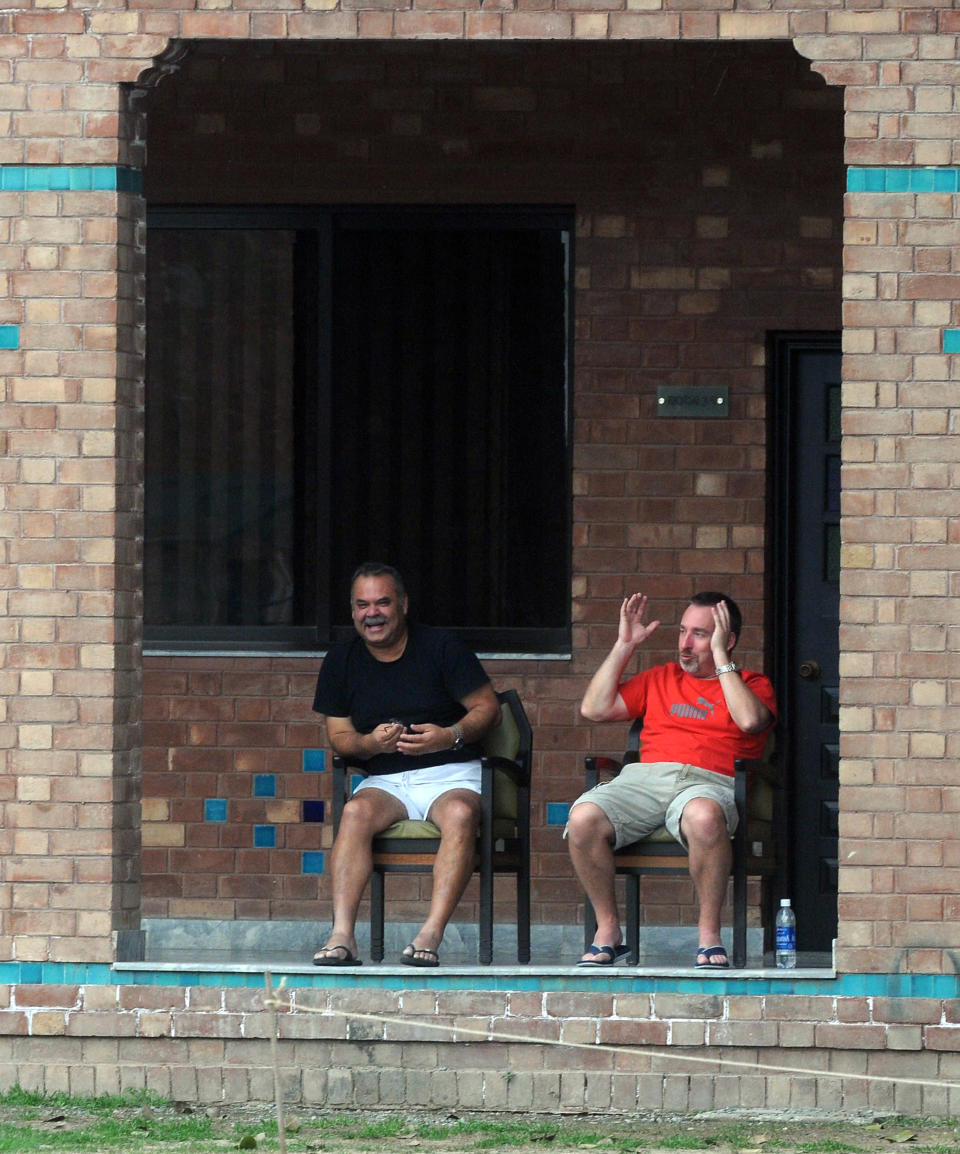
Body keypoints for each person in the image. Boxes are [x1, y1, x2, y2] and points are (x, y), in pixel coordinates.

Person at [566, 591, 776, 969]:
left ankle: (709, 933)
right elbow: (593, 709)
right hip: (645, 778)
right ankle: (609, 930)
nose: (684, 643)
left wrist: (723, 662)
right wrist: (624, 645)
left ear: (725, 640)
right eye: (683, 631)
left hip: (708, 781)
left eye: (699, 634)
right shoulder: (660, 678)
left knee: (704, 817)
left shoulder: (753, 684)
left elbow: (749, 721)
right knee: (582, 817)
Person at [311, 562, 501, 968]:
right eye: (362, 605)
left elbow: (489, 709)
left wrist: (448, 735)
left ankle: (430, 933)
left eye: (382, 602)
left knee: (462, 814)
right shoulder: (339, 661)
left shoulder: (442, 647)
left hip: (450, 774)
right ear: (352, 611)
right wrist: (368, 742)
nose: (372, 613)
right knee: (355, 812)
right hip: (386, 780)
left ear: (403, 605)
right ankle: (342, 935)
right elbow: (340, 738)